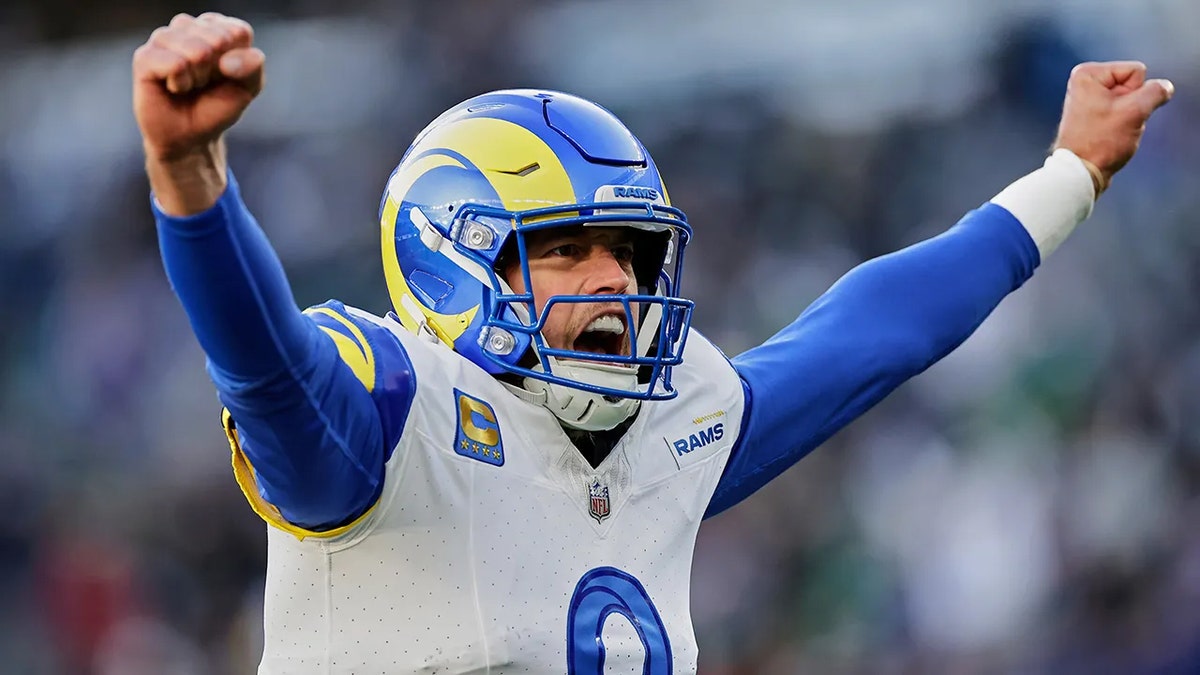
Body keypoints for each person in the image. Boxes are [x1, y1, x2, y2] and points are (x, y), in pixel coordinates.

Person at [133, 11, 1173, 674]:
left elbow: (874, 332)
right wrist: (192, 183)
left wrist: (1067, 175)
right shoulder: (394, 421)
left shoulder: (675, 423)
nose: (616, 281)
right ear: (455, 260)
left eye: (630, 253)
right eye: (569, 250)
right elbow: (265, 368)